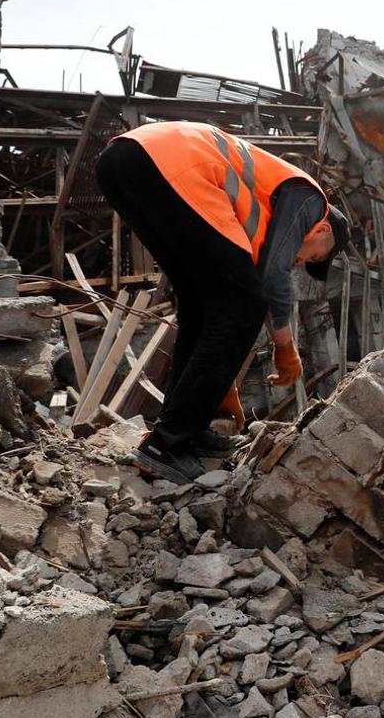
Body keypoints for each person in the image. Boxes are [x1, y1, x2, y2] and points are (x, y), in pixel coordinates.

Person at [95, 120, 349, 484]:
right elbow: (272, 277)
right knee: (246, 304)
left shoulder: (263, 209)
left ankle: (183, 429)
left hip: (124, 161)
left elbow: (217, 320)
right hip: (167, 163)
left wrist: (217, 386)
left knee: (201, 307)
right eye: (313, 257)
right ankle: (168, 445)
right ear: (323, 231)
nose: (301, 260)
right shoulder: (310, 200)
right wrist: (285, 349)